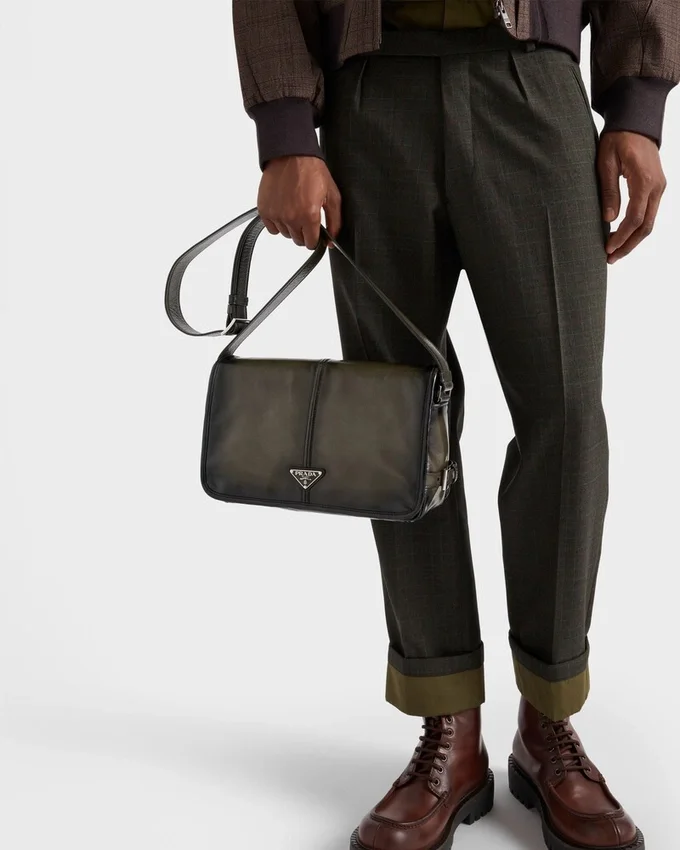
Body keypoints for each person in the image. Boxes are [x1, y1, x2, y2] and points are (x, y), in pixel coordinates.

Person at [232, 2, 677, 849]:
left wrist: (636, 107)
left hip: (533, 87)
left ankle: (549, 721)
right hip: (374, 94)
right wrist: (287, 131)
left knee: (566, 416)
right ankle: (449, 731)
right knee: (398, 426)